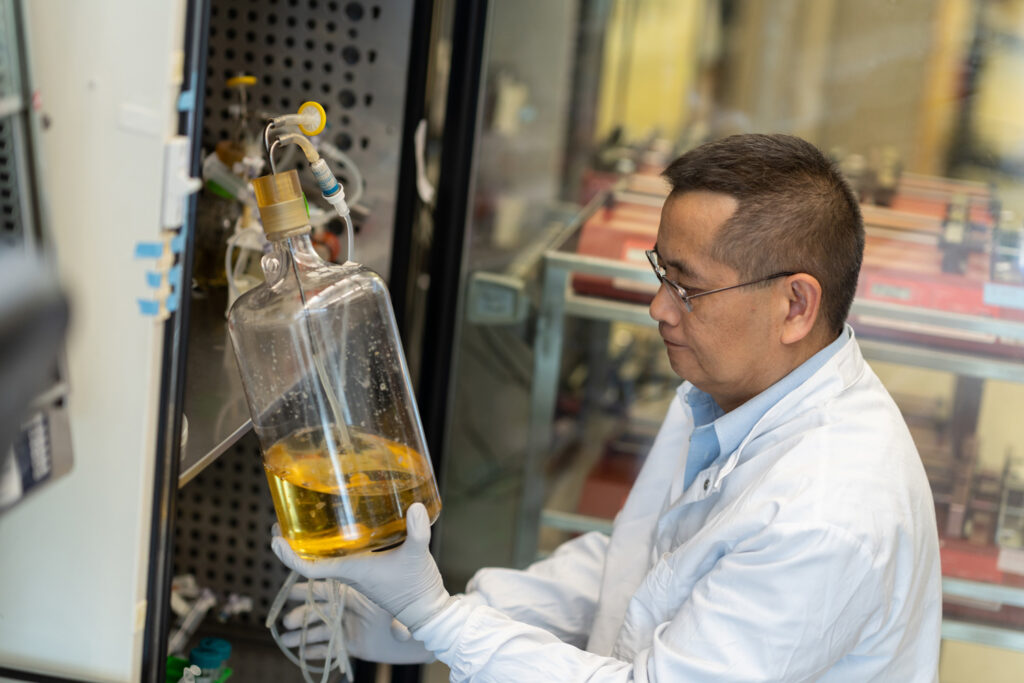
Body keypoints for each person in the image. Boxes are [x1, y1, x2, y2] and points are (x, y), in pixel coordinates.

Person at [273, 134, 942, 681]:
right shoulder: (738, 393)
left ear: (795, 305)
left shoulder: (826, 516)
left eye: (688, 287)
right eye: (661, 273)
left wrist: (441, 620)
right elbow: (635, 564)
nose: (658, 308)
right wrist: (432, 621)